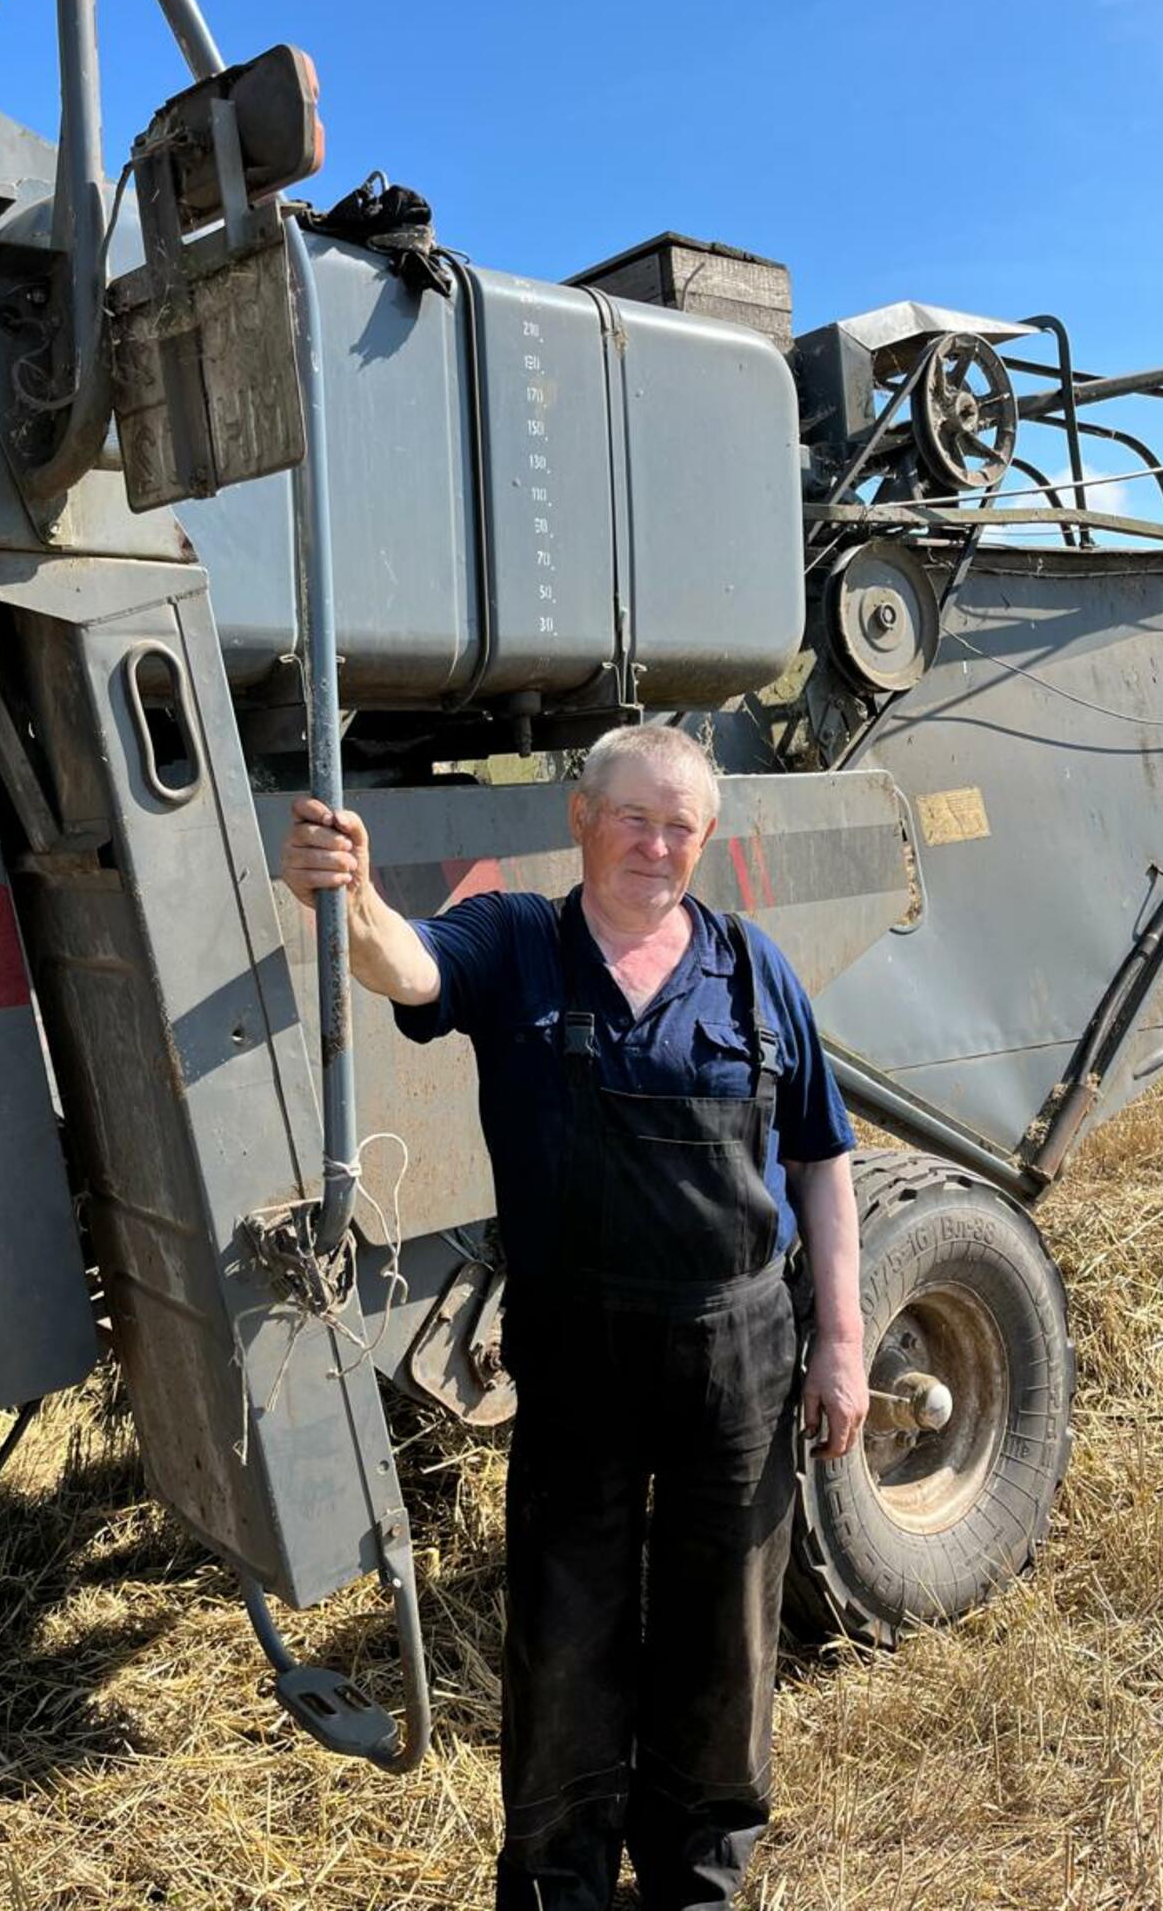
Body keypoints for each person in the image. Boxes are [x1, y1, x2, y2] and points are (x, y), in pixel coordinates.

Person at [280, 723, 867, 1911]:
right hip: (579, 1351)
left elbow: (821, 1158)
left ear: (705, 840)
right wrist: (346, 904)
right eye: (635, 817)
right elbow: (409, 968)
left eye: (681, 825)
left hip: (738, 1354)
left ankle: (698, 1884)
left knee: (725, 1643)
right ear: (579, 819)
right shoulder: (516, 944)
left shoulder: (755, 972)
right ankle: (559, 1885)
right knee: (568, 1633)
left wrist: (842, 1344)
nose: (657, 845)